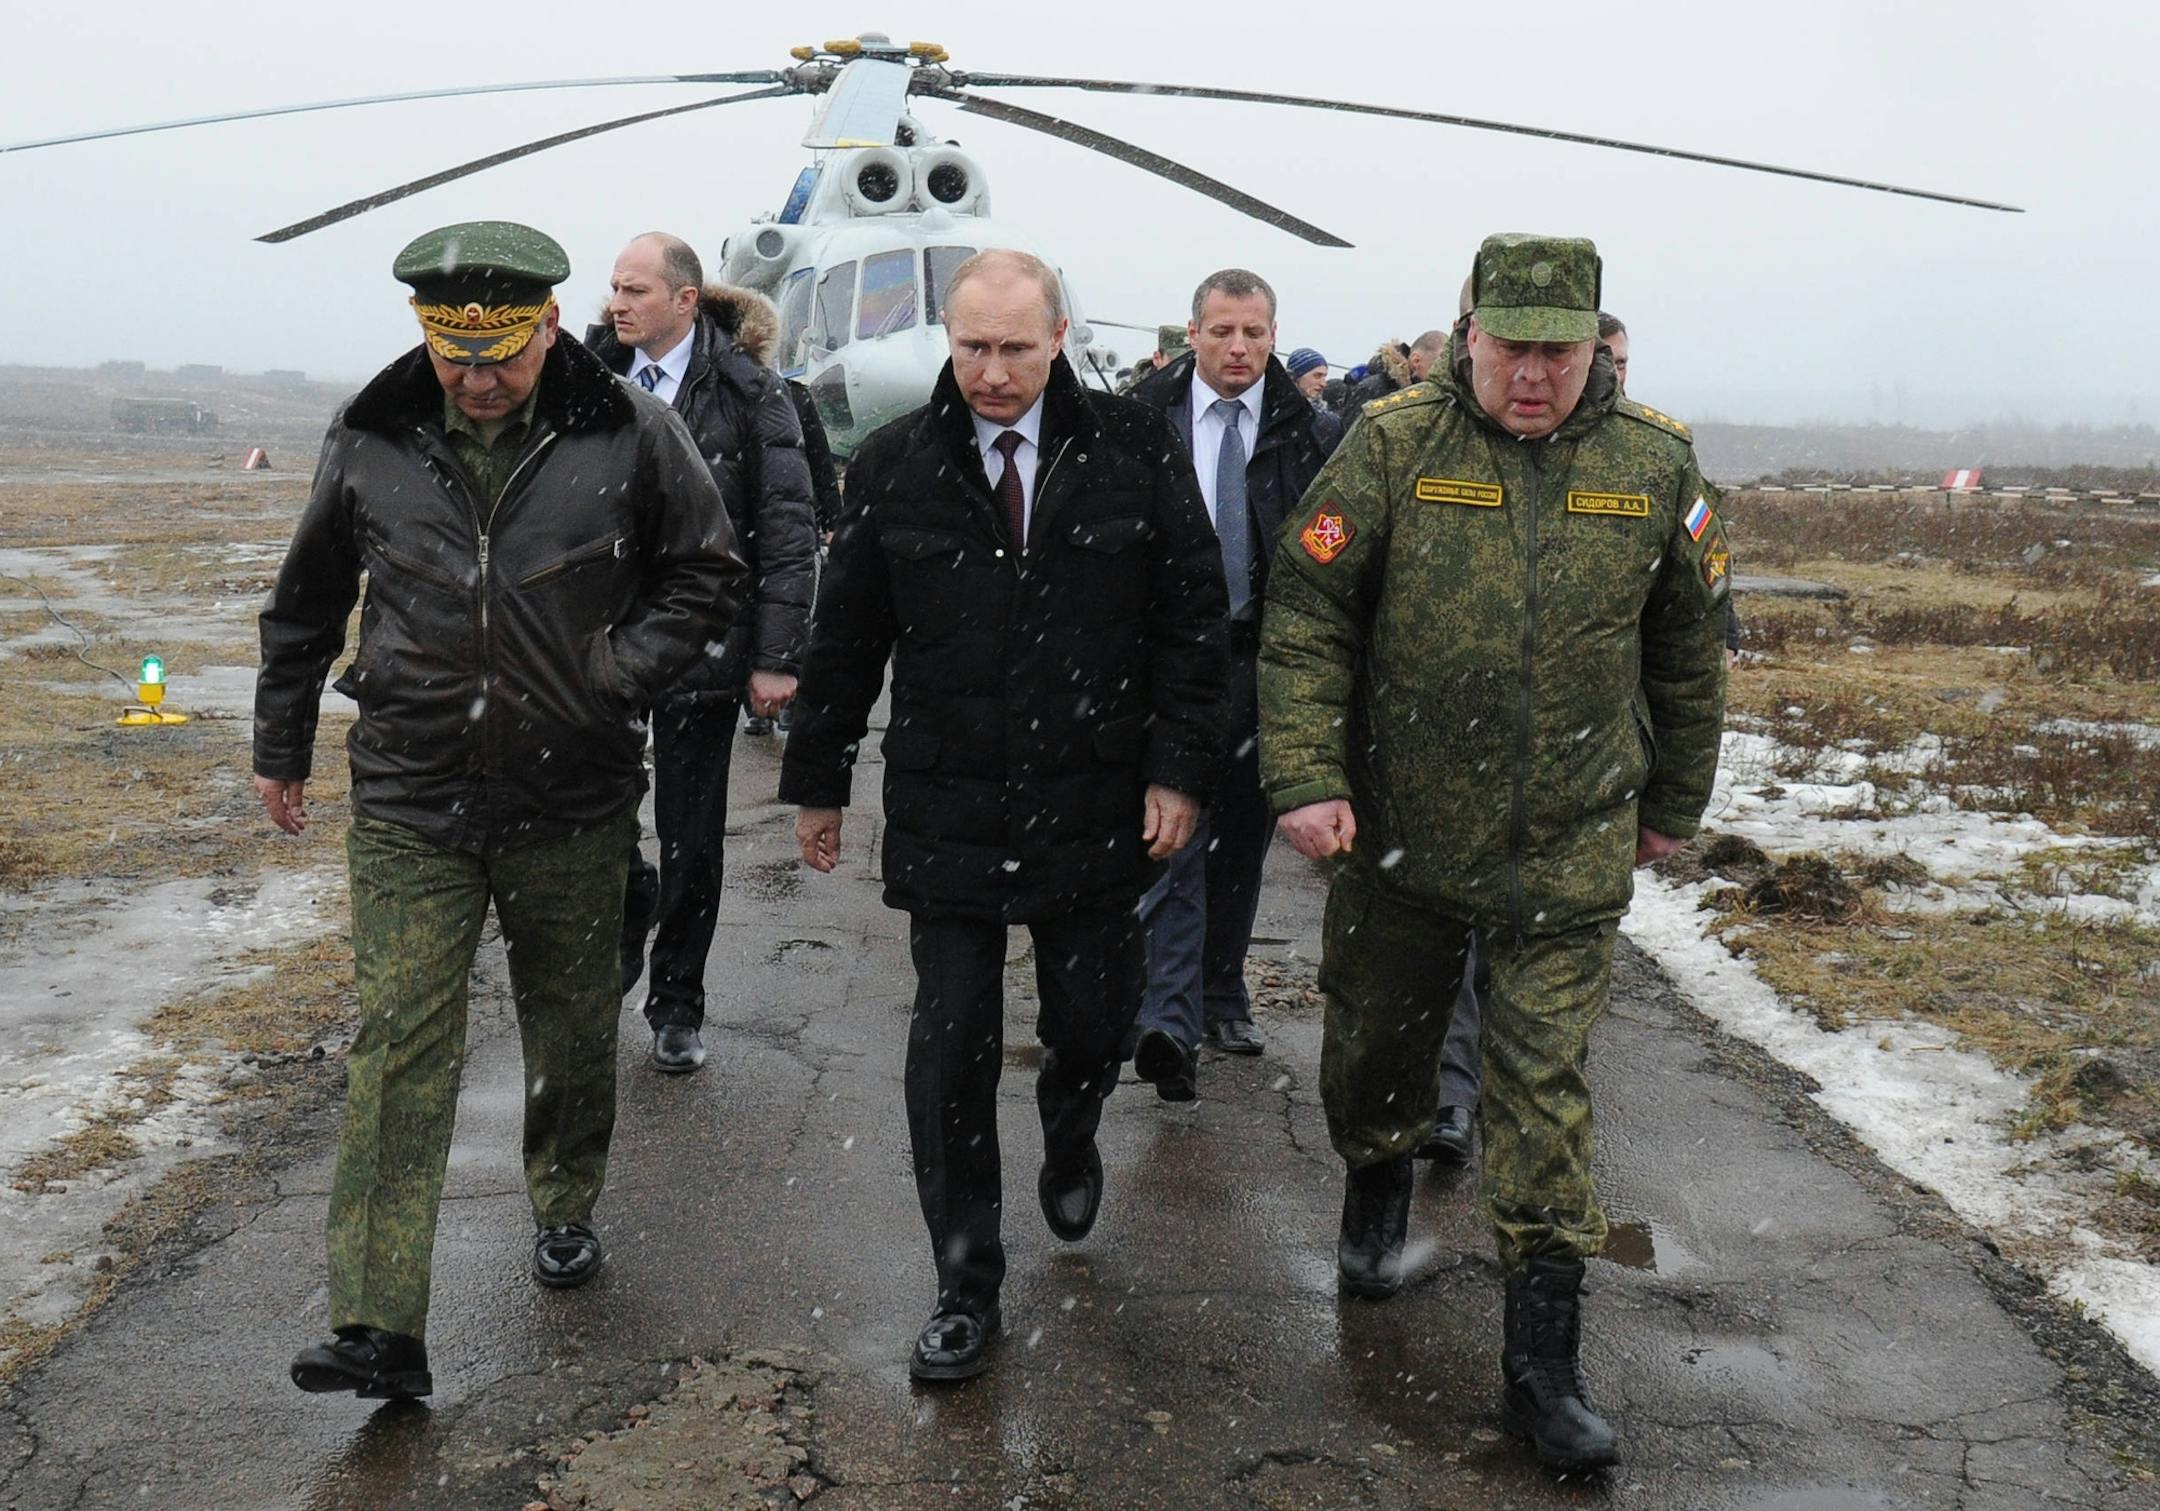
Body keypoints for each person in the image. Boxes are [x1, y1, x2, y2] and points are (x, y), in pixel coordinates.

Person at [1259, 233, 1730, 1470]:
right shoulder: (1393, 444)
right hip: (1403, 828)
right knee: (1378, 1047)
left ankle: (1542, 1370)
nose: (1532, 374)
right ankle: (1375, 1194)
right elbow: (1307, 612)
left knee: (1542, 1091)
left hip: (1569, 838)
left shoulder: (1653, 462)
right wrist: (1308, 775)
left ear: (1594, 347)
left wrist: (1674, 796)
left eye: (1557, 352)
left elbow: (1690, 647)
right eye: (1510, 347)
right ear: (1469, 335)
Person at [257, 221, 746, 1400]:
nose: (479, 380)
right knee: (399, 1045)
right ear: (425, 335)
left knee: (568, 1026)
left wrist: (615, 674)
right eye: (456, 357)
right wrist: (282, 741)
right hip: (411, 792)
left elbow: (707, 573)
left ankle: (565, 1197)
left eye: (504, 356)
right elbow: (309, 596)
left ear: (550, 326)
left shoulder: (631, 431)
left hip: (572, 793)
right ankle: (377, 1321)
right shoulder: (373, 433)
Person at [779, 250, 1229, 1383]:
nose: (990, 371)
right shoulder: (896, 464)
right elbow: (847, 639)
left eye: (1014, 348)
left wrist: (1178, 770)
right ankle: (965, 1282)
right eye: (972, 346)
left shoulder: (1132, 450)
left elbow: (1190, 619)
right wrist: (820, 779)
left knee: (1094, 1019)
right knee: (950, 1047)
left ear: (1059, 335)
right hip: (952, 804)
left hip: (1095, 798)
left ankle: (1073, 1126)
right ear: (948, 335)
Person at [588, 234, 818, 1073]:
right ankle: (626, 907)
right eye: (616, 288)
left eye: (637, 290)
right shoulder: (588, 382)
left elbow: (788, 529)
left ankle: (677, 1002)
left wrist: (777, 655)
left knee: (693, 834)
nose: (618, 304)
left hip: (703, 641)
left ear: (686, 300)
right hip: (601, 646)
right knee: (596, 816)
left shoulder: (751, 392)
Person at [1124, 269, 1339, 1100]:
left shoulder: (1310, 432)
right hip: (1166, 654)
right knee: (1171, 824)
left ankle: (1219, 992)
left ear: (1274, 335)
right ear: (1193, 334)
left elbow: (1333, 544)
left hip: (1263, 655)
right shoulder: (1142, 419)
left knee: (1242, 834)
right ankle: (1166, 1010)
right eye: (1222, 331)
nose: (1238, 347)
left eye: (1253, 332)